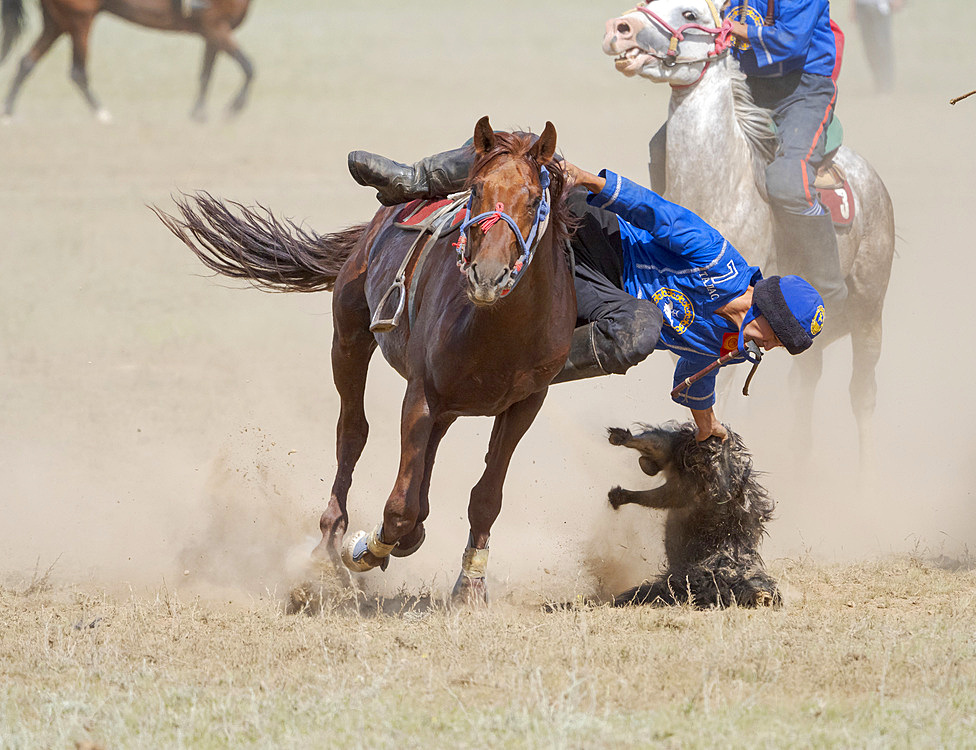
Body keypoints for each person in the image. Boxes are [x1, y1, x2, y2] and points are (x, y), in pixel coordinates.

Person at [346, 146, 826, 441]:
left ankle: (524, 372)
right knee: (531, 152)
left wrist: (707, 428)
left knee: (638, 329)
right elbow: (655, 212)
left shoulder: (734, 345)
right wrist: (585, 178)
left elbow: (692, 377)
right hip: (595, 236)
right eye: (774, 337)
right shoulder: (716, 259)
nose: (767, 347)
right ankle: (416, 180)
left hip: (600, 298)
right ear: (765, 309)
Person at [648, 0, 848, 310]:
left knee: (787, 185)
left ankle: (830, 292)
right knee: (661, 144)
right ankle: (661, 246)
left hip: (803, 90)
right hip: (744, 81)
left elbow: (790, 41)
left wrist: (732, 28)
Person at [850, 0, 904, 94]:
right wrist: (853, 6)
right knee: (869, 47)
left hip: (881, 6)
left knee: (882, 45)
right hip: (862, 5)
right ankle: (878, 82)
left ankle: (887, 85)